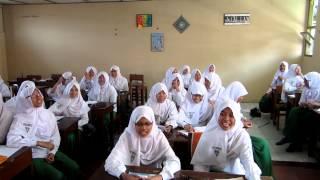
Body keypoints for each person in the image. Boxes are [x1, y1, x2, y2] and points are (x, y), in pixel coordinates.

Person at [6, 84, 79, 179]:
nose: (38, 96)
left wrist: (52, 152)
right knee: (58, 176)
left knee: (74, 167)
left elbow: (55, 135)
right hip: (34, 155)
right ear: (26, 99)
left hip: (50, 151)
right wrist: (37, 143)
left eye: (39, 93)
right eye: (33, 95)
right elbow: (11, 140)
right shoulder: (20, 118)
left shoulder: (48, 114)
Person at [191, 98, 261, 180]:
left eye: (231, 115)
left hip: (235, 174)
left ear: (237, 117)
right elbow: (201, 163)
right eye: (222, 114)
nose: (226, 119)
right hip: (212, 174)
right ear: (217, 115)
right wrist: (203, 178)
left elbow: (248, 163)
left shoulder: (242, 136)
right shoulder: (210, 133)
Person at [104, 106, 180, 180]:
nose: (144, 128)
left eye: (147, 124)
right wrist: (123, 175)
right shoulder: (127, 135)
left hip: (154, 176)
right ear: (134, 124)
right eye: (139, 124)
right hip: (130, 175)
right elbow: (110, 161)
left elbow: (174, 161)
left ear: (152, 123)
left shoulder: (158, 136)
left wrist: (161, 177)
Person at [219, 81, 273, 176]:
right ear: (235, 93)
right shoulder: (222, 103)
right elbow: (225, 123)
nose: (242, 98)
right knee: (261, 146)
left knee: (263, 144)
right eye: (240, 95)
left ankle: (265, 174)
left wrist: (243, 120)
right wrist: (241, 125)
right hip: (227, 138)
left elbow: (237, 115)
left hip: (237, 133)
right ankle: (263, 174)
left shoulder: (234, 101)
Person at [276, 72, 320, 152]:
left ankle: (295, 143)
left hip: (315, 112)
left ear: (313, 81)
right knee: (293, 111)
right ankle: (288, 137)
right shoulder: (306, 88)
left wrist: (315, 104)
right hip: (306, 108)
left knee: (303, 119)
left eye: (307, 81)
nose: (305, 82)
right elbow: (301, 102)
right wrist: (305, 103)